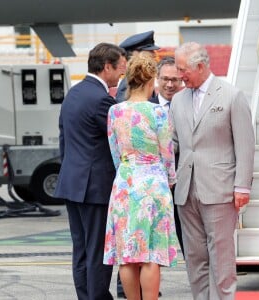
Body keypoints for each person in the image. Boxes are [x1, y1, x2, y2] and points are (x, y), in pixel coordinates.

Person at [170, 42, 255, 300]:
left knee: (221, 255)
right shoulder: (177, 100)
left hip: (220, 189)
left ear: (201, 66)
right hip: (186, 190)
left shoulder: (231, 95)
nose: (179, 75)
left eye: (183, 70)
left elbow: (245, 144)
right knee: (195, 257)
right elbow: (175, 143)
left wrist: (242, 186)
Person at [54, 43, 127, 300]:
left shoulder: (73, 94)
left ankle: (86, 297)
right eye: (120, 69)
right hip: (94, 188)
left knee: (81, 249)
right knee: (98, 250)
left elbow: (64, 141)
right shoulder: (101, 100)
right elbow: (118, 141)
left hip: (72, 183)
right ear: (107, 67)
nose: (121, 75)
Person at [103, 52, 178, 300]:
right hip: (154, 184)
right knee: (151, 254)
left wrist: (127, 173)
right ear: (150, 81)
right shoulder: (158, 113)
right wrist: (169, 180)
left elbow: (115, 154)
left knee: (127, 255)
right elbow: (167, 155)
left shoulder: (114, 112)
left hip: (125, 183)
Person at [149, 56, 185, 257]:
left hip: (183, 181)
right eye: (165, 79)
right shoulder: (145, 107)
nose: (170, 84)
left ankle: (198, 284)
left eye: (175, 80)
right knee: (149, 235)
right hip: (153, 181)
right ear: (157, 78)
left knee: (188, 235)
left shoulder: (190, 105)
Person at [116, 30, 160, 103]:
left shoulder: (143, 78)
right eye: (150, 51)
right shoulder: (128, 83)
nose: (154, 54)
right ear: (135, 54)